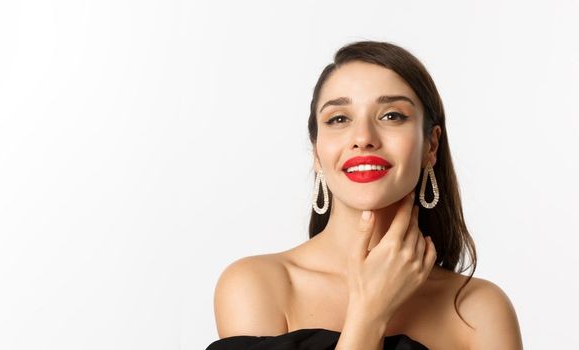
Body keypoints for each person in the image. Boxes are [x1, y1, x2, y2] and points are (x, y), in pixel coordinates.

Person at [207, 41, 523, 350]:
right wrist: (370, 313)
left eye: (391, 116)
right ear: (317, 152)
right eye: (339, 119)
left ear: (431, 146)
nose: (363, 138)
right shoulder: (256, 287)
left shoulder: (479, 311)